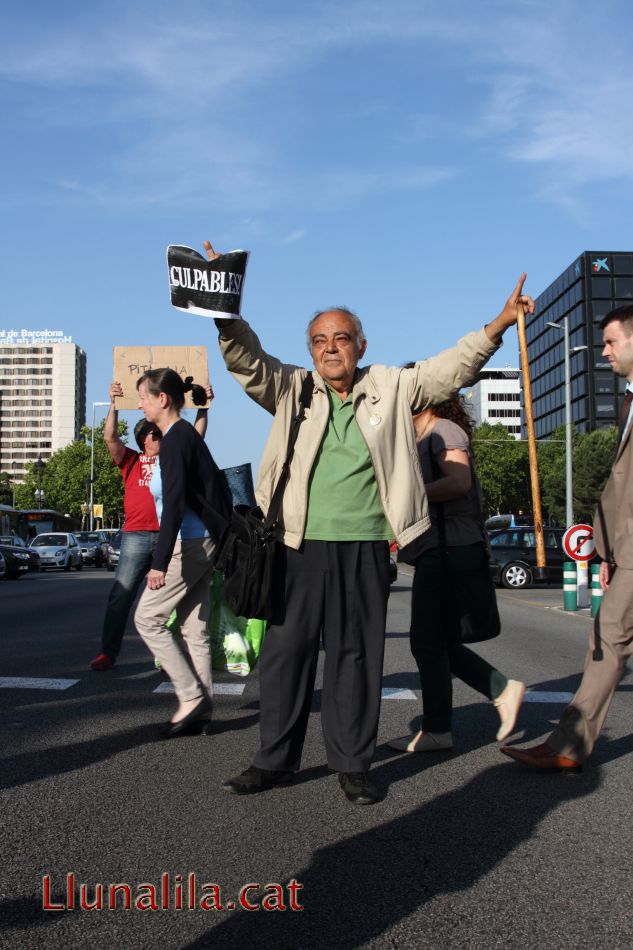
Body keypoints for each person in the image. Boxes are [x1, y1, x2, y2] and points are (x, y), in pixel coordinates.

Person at [206, 237, 534, 804]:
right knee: (285, 658)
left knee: (357, 657)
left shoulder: (390, 386)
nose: (330, 348)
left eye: (340, 338)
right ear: (309, 350)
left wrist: (499, 323)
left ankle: (353, 763)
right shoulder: (292, 389)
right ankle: (273, 761)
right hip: (293, 545)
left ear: (361, 345)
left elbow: (445, 371)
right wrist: (224, 310)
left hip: (363, 546)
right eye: (319, 340)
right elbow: (246, 361)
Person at [501, 304, 633, 771]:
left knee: (608, 638)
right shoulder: (629, 400)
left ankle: (568, 745)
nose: (604, 352)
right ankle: (568, 745)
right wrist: (607, 545)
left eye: (612, 342)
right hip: (625, 549)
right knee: (607, 639)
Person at [387, 392, 525, 754]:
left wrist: (409, 496)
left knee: (424, 639)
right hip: (442, 548)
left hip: (449, 548)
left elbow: (458, 482)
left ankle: (439, 728)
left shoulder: (443, 430)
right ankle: (499, 690)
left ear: (423, 400)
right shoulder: (424, 436)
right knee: (438, 640)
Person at [133, 369, 232, 738]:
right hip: (205, 540)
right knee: (194, 630)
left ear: (163, 399)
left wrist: (159, 563)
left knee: (147, 619)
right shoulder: (184, 434)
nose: (139, 403)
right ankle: (203, 712)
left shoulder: (176, 439)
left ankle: (190, 697)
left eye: (143, 395)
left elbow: (173, 504)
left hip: (189, 542)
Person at [89, 380, 213, 672]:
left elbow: (196, 435)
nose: (160, 438)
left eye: (160, 434)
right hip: (137, 535)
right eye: (154, 435)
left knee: (175, 603)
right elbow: (109, 438)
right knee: (122, 593)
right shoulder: (131, 461)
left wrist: (204, 407)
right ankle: (109, 651)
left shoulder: (175, 455)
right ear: (144, 439)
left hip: (175, 536)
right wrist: (114, 405)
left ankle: (170, 655)